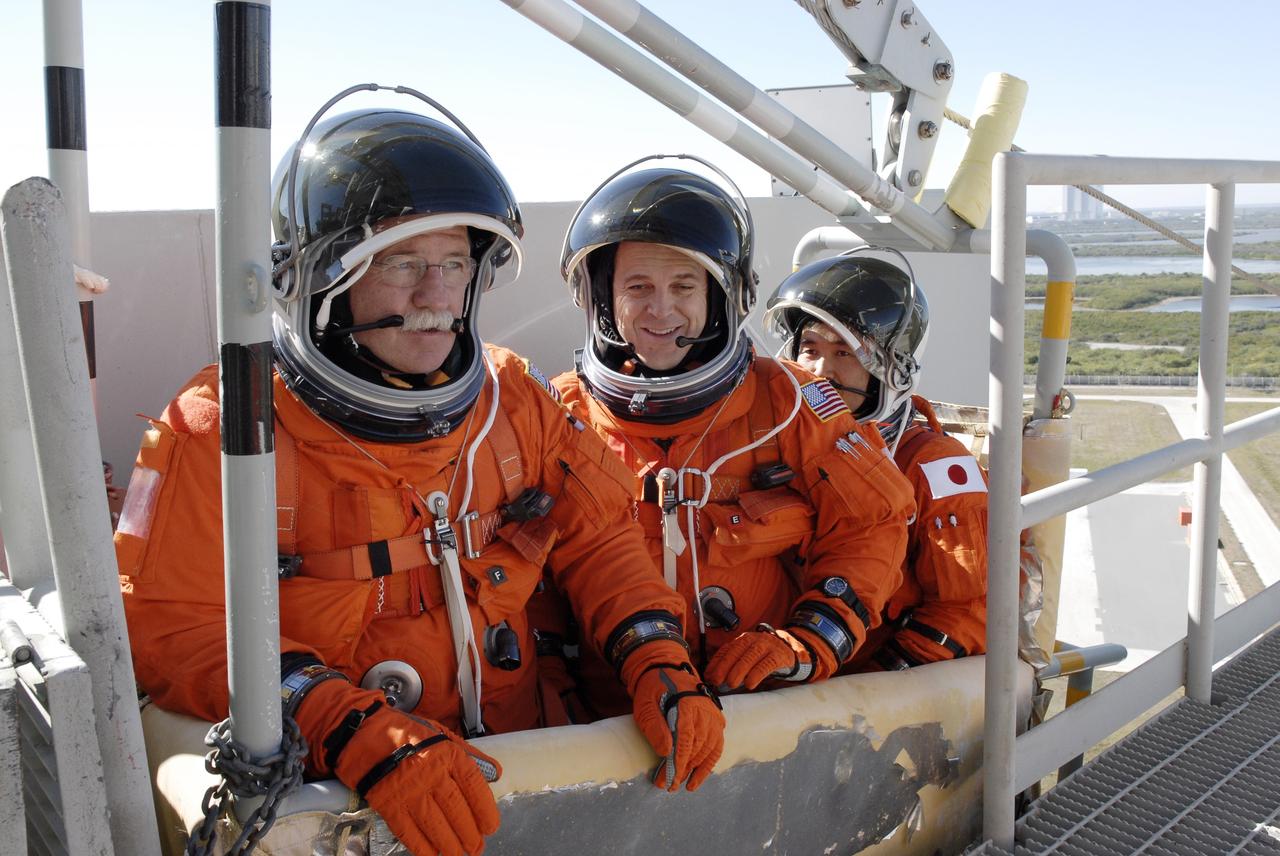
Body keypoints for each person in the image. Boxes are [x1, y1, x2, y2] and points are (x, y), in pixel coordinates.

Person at [115, 104, 724, 856]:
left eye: (456, 265)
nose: (438, 295)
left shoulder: (512, 399)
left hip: (523, 780)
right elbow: (168, 625)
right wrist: (338, 720)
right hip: (341, 801)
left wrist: (652, 648)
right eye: (403, 264)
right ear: (320, 279)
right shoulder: (221, 428)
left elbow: (595, 537)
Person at [531, 159, 914, 718]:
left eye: (684, 285)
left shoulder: (789, 403)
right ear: (603, 299)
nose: (661, 309)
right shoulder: (560, 412)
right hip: (610, 723)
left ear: (720, 296)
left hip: (764, 711)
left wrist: (807, 642)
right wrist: (553, 698)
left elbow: (872, 522)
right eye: (638, 286)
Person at [764, 252, 989, 671]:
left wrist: (871, 684)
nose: (819, 371)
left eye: (845, 353)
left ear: (890, 369)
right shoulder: (763, 450)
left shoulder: (934, 467)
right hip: (774, 662)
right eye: (809, 349)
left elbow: (968, 610)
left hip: (857, 683)